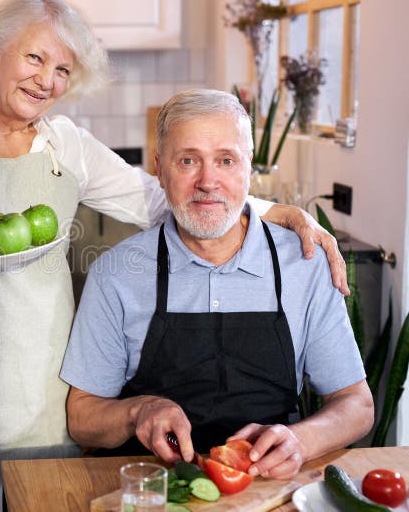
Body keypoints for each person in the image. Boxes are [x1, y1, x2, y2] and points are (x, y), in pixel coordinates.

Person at [0, 0, 348, 510]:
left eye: (63, 69)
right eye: (35, 57)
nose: (47, 80)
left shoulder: (66, 145)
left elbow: (164, 198)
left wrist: (274, 212)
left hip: (48, 383)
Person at [60, 89, 374, 480]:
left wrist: (300, 441)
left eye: (226, 160)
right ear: (159, 168)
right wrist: (139, 411)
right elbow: (82, 416)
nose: (208, 182)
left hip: (269, 489)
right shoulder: (116, 273)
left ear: (249, 168)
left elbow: (356, 404)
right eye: (188, 160)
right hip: (156, 491)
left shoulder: (304, 265)